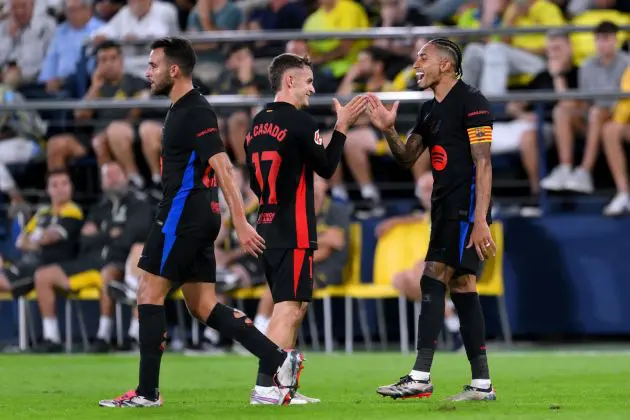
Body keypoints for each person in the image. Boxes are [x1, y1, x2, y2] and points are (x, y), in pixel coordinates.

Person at [99, 37, 304, 408]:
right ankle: (278, 359)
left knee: (148, 293)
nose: (148, 73)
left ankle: (147, 393)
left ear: (173, 70)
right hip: (196, 214)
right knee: (203, 304)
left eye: (153, 65)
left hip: (182, 214)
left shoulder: (194, 110)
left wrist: (240, 221)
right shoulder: (182, 108)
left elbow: (223, 165)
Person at [368, 38, 497, 402]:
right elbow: (407, 158)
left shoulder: (472, 101)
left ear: (446, 65)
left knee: (432, 277)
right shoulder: (428, 111)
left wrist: (481, 219)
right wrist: (388, 129)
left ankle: (420, 375)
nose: (416, 65)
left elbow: (483, 163)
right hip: (443, 207)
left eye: (423, 58)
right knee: (463, 287)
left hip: (465, 207)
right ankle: (482, 384)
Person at [245, 53, 365, 404]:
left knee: (294, 306)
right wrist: (342, 126)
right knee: (288, 307)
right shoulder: (301, 122)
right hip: (293, 228)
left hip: (266, 223)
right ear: (290, 82)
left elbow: (254, 182)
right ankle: (265, 386)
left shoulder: (256, 123)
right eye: (308, 81)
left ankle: (282, 387)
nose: (313, 88)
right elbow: (327, 168)